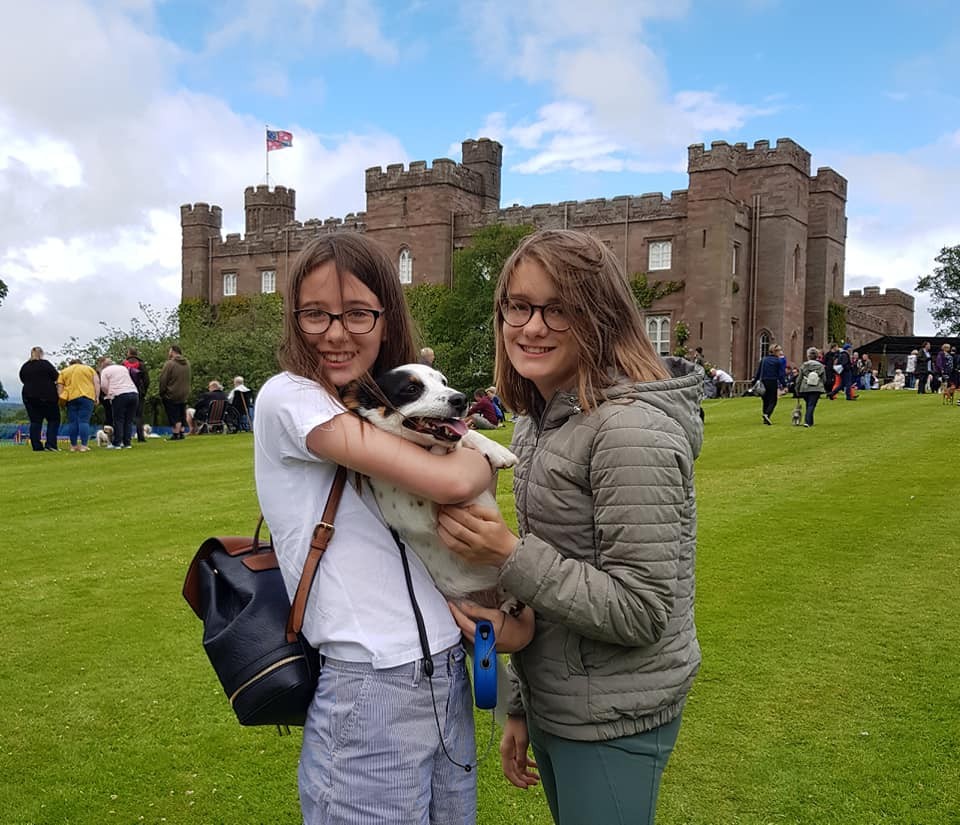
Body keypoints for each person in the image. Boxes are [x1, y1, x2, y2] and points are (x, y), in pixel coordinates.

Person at [252, 233, 534, 825]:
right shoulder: (291, 397)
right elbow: (457, 481)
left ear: (386, 315)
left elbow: (458, 464)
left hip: (448, 672)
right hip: (369, 685)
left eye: (357, 312)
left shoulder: (389, 405)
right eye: (314, 314)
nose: (334, 332)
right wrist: (467, 447)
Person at [436, 229, 702, 825]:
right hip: (560, 701)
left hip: (613, 714)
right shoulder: (538, 421)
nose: (532, 326)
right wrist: (521, 704)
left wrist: (509, 553)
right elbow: (547, 597)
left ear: (599, 315)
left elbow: (642, 609)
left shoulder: (629, 431)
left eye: (559, 308)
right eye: (519, 306)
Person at [19, 346, 61, 452]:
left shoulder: (25, 366)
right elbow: (57, 377)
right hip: (47, 396)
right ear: (41, 354)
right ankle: (51, 444)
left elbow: (22, 379)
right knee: (53, 419)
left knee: (35, 421)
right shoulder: (45, 364)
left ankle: (36, 445)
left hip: (29, 396)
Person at [57, 358, 100, 452]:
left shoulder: (64, 371)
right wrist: (97, 396)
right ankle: (84, 446)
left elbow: (60, 386)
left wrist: (60, 399)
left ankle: (74, 446)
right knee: (83, 421)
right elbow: (96, 383)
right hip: (87, 396)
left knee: (73, 422)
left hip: (71, 398)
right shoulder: (89, 369)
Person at [98, 357, 140, 449]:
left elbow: (103, 386)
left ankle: (117, 443)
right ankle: (127, 443)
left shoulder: (105, 371)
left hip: (119, 395)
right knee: (128, 420)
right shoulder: (123, 368)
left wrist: (108, 394)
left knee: (118, 419)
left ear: (102, 365)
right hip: (134, 393)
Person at [159, 345, 191, 440]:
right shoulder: (187, 364)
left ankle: (175, 433)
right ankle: (181, 431)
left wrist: (162, 392)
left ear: (173, 352)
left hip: (172, 393)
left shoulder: (170, 364)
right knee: (181, 412)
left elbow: (163, 379)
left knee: (173, 413)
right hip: (184, 393)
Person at [754, 343, 786, 424]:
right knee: (773, 400)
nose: (781, 352)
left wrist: (754, 381)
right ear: (776, 352)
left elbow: (758, 372)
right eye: (779, 351)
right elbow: (781, 374)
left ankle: (765, 417)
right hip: (772, 381)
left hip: (763, 381)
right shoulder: (778, 361)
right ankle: (767, 414)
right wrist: (784, 385)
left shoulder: (764, 359)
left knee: (765, 400)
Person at [123, 347, 150, 443]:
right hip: (138, 392)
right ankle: (140, 437)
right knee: (139, 415)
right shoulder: (141, 364)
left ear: (129, 353)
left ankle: (126, 437)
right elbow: (146, 380)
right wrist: (144, 391)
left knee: (126, 415)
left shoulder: (123, 364)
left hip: (125, 391)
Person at [796, 347, 826, 427]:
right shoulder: (820, 366)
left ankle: (810, 421)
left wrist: (797, 388)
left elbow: (799, 378)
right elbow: (824, 379)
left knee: (809, 404)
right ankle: (808, 422)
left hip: (805, 387)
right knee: (811, 405)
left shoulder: (804, 365)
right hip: (816, 387)